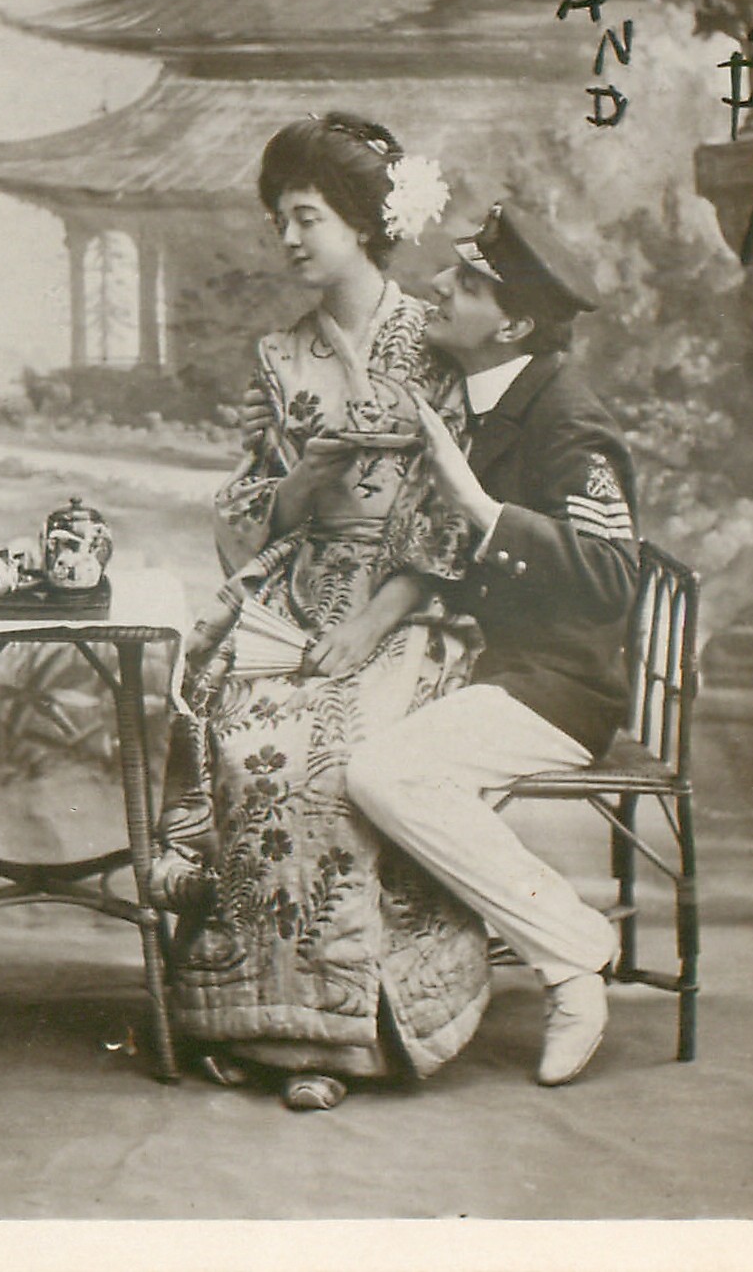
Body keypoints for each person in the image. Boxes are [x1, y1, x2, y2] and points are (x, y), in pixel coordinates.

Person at [149, 112, 489, 1112]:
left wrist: (374, 622)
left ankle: (349, 1033)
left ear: (362, 223)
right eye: (280, 219)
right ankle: (251, 1019)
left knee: (334, 760)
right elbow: (250, 508)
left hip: (406, 604)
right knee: (247, 736)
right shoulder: (277, 355)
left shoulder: (435, 341)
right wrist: (303, 478)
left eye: (307, 217)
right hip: (293, 594)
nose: (289, 237)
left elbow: (450, 518)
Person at [346, 201, 640, 1088]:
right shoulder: (479, 391)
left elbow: (610, 575)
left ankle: (572, 959)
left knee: (383, 773)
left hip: (556, 686)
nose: (439, 283)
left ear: (511, 325)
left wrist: (478, 506)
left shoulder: (566, 418)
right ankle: (366, 1000)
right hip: (483, 661)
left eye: (468, 282)